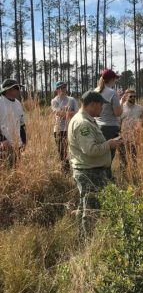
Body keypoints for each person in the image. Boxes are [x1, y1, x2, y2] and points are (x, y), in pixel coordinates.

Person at [68, 90, 122, 238]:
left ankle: (83, 238)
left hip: (92, 170)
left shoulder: (88, 120)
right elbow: (90, 150)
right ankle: (88, 242)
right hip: (89, 172)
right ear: (92, 104)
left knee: (86, 206)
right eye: (100, 106)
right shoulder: (82, 123)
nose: (102, 109)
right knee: (91, 210)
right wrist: (109, 144)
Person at [94, 69, 123, 176]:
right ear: (112, 79)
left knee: (100, 153)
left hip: (97, 126)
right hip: (110, 128)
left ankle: (98, 176)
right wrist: (120, 102)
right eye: (115, 79)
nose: (116, 81)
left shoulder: (95, 90)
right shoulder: (112, 93)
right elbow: (117, 113)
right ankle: (106, 178)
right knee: (109, 156)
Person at [51, 81, 78, 172]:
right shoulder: (54, 101)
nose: (62, 89)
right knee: (62, 151)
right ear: (56, 90)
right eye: (60, 88)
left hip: (71, 128)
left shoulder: (72, 100)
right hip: (59, 129)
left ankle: (76, 169)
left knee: (74, 150)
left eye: (64, 87)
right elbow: (58, 113)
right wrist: (69, 113)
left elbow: (77, 114)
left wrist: (65, 113)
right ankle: (66, 171)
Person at [0, 79, 26, 168]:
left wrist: (23, 141)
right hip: (4, 145)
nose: (19, 90)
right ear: (8, 89)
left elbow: (22, 124)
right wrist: (2, 139)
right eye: (16, 88)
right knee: (5, 171)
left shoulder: (18, 103)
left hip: (17, 144)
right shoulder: (0, 102)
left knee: (16, 168)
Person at [120, 89, 143, 164]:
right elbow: (118, 123)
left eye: (134, 96)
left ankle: (134, 174)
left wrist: (142, 134)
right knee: (124, 160)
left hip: (135, 137)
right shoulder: (121, 108)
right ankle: (124, 175)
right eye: (131, 96)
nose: (133, 98)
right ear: (126, 97)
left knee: (135, 159)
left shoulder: (140, 108)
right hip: (124, 137)